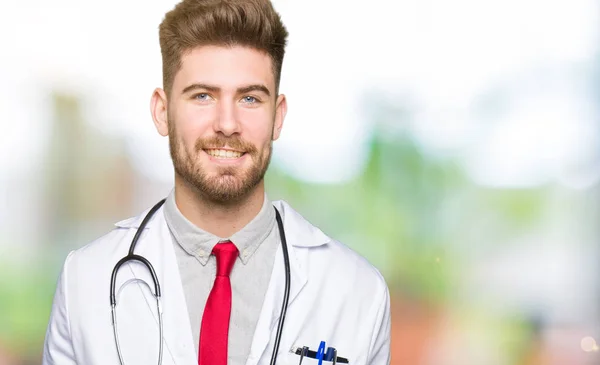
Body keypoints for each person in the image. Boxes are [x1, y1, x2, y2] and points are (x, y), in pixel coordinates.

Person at [42, 0, 391, 364]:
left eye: (250, 98)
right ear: (163, 112)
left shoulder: (357, 292)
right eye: (203, 96)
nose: (227, 123)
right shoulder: (85, 281)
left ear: (278, 116)